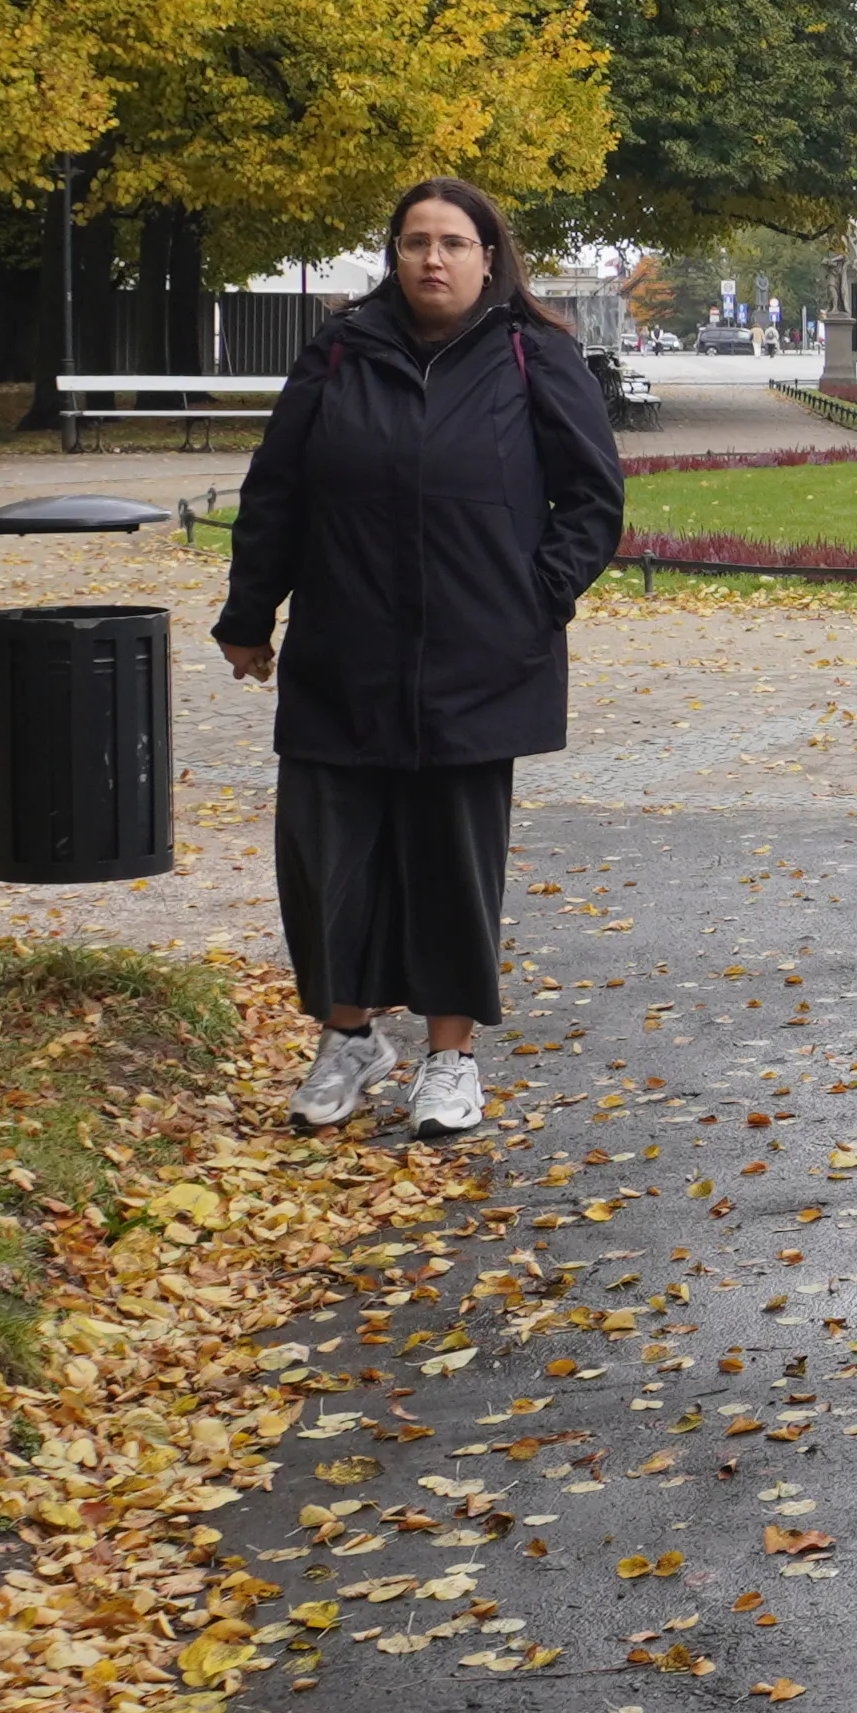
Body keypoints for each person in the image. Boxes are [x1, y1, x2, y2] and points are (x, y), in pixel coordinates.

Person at [218, 181, 624, 1141]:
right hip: (343, 650)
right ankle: (348, 1037)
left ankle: (450, 1057)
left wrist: (535, 597)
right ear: (392, 255)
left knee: (449, 860)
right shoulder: (337, 353)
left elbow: (593, 500)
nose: (432, 260)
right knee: (328, 857)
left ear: (490, 256)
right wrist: (249, 613)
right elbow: (276, 490)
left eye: (453, 243)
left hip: (478, 662)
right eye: (414, 243)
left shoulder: (534, 354)